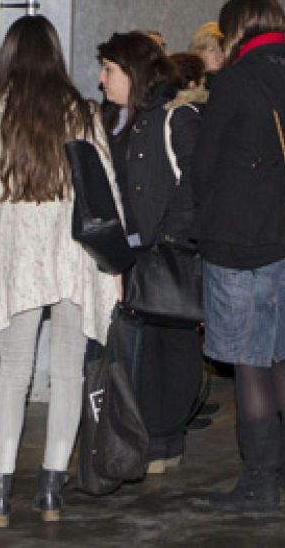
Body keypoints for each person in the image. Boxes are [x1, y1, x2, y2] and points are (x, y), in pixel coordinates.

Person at [0, 16, 120, 527]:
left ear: (9, 57)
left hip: (18, 258)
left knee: (14, 372)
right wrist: (114, 268)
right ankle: (51, 487)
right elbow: (107, 191)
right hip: (74, 257)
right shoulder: (84, 113)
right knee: (69, 370)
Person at [191, 0, 285, 513]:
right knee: (279, 353)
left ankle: (258, 484)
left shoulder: (235, 81)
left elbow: (206, 165)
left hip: (239, 237)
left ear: (239, 29)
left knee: (249, 362)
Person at [97, 32, 205, 475]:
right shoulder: (112, 119)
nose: (101, 79)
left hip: (166, 255)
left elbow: (195, 187)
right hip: (127, 253)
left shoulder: (175, 118)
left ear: (134, 73)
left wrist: (166, 242)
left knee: (170, 347)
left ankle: (165, 440)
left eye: (110, 70)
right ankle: (141, 436)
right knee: (134, 351)